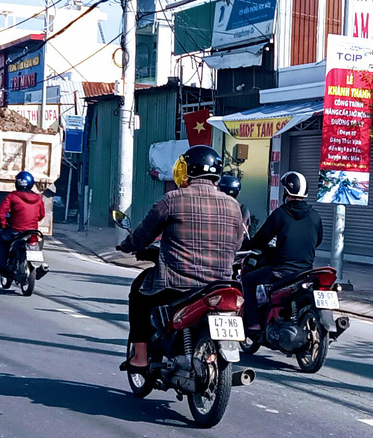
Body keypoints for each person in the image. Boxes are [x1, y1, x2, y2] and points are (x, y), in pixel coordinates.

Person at [118, 145, 245, 369]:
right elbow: (236, 246)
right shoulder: (234, 206)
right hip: (220, 284)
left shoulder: (172, 200)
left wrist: (129, 245)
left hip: (177, 284)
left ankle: (140, 357)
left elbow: (142, 235)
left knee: (138, 292)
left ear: (188, 169)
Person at [241, 171, 322, 316]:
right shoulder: (315, 216)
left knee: (247, 280)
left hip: (280, 272)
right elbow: (318, 240)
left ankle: (253, 323)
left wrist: (246, 244)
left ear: (286, 192)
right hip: (305, 272)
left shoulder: (280, 214)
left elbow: (261, 240)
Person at [0, 170, 46, 275]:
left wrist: (3, 225)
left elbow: (0, 214)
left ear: (17, 183)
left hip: (15, 232)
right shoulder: (38, 198)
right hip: (32, 232)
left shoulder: (12, 196)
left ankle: (2, 266)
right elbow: (41, 216)